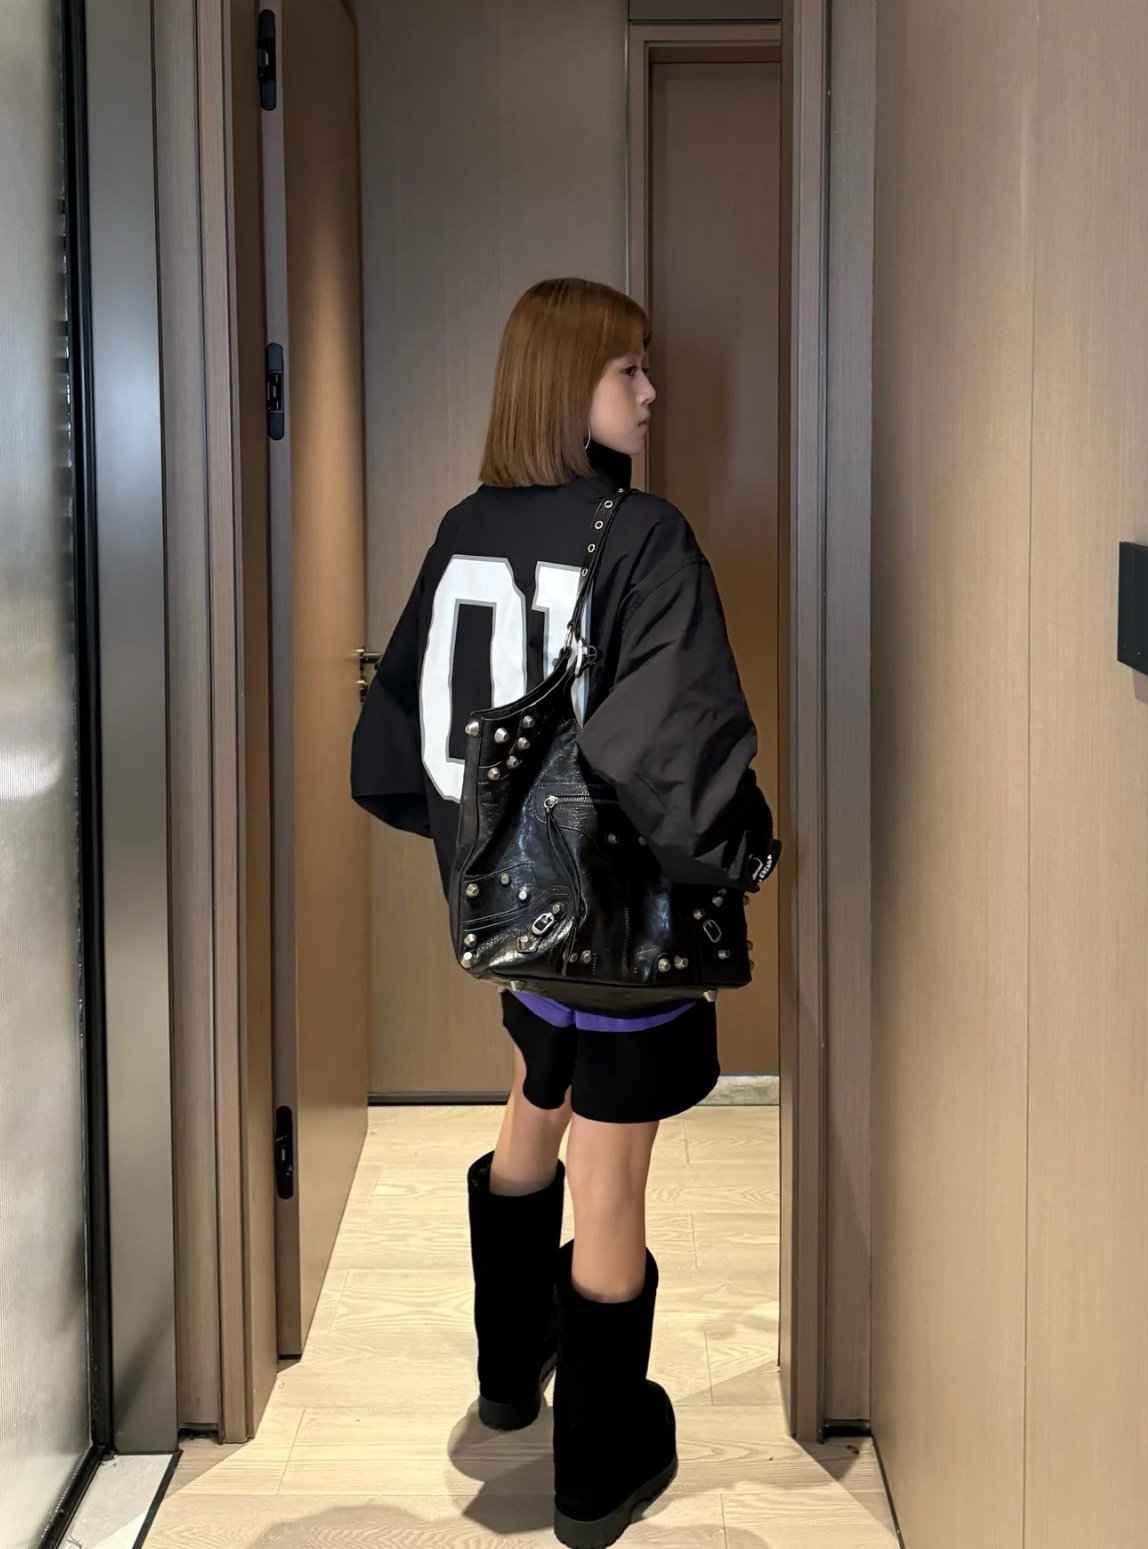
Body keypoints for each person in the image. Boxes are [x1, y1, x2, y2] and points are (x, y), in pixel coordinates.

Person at [350, 277, 779, 1548]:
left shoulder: (462, 528)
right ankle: (596, 1467)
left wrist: (474, 851)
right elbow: (672, 754)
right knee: (612, 1165)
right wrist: (740, 854)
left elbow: (402, 732)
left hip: (514, 914)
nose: (649, 393)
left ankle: (506, 1374)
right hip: (618, 925)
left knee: (537, 1090)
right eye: (624, 371)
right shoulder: (641, 537)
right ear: (562, 385)